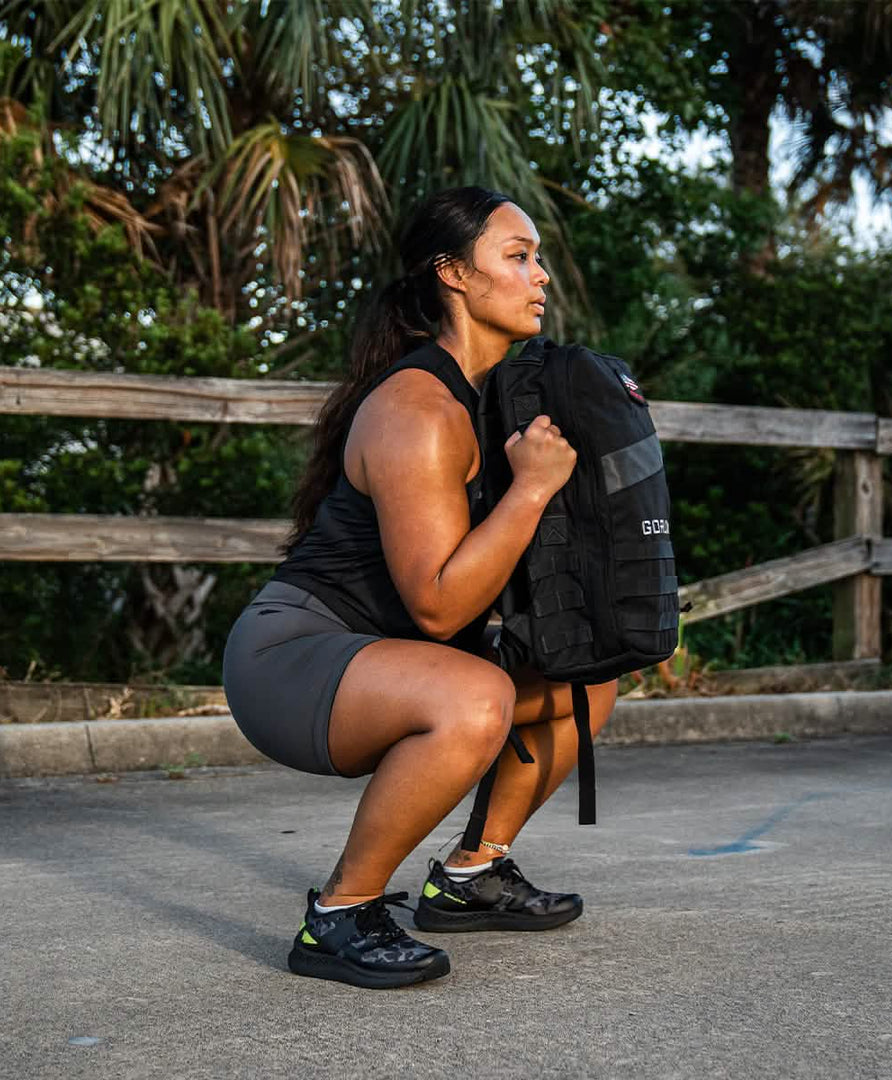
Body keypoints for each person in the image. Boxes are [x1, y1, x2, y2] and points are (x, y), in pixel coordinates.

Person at [222, 186, 620, 990]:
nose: (540, 275)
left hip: (387, 658)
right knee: (474, 698)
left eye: (536, 257)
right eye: (518, 256)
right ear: (453, 274)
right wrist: (531, 488)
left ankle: (471, 876)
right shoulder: (418, 408)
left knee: (589, 678)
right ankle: (339, 915)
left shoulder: (489, 402)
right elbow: (438, 602)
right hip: (292, 657)